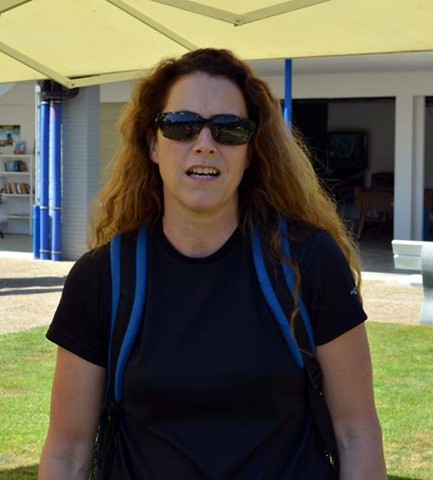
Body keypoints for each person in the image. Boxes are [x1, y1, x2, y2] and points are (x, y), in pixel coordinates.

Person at [39, 48, 386, 479]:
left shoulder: (308, 261)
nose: (205, 144)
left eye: (229, 129)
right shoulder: (101, 278)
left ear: (250, 150)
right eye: (182, 126)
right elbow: (67, 453)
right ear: (152, 143)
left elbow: (357, 434)